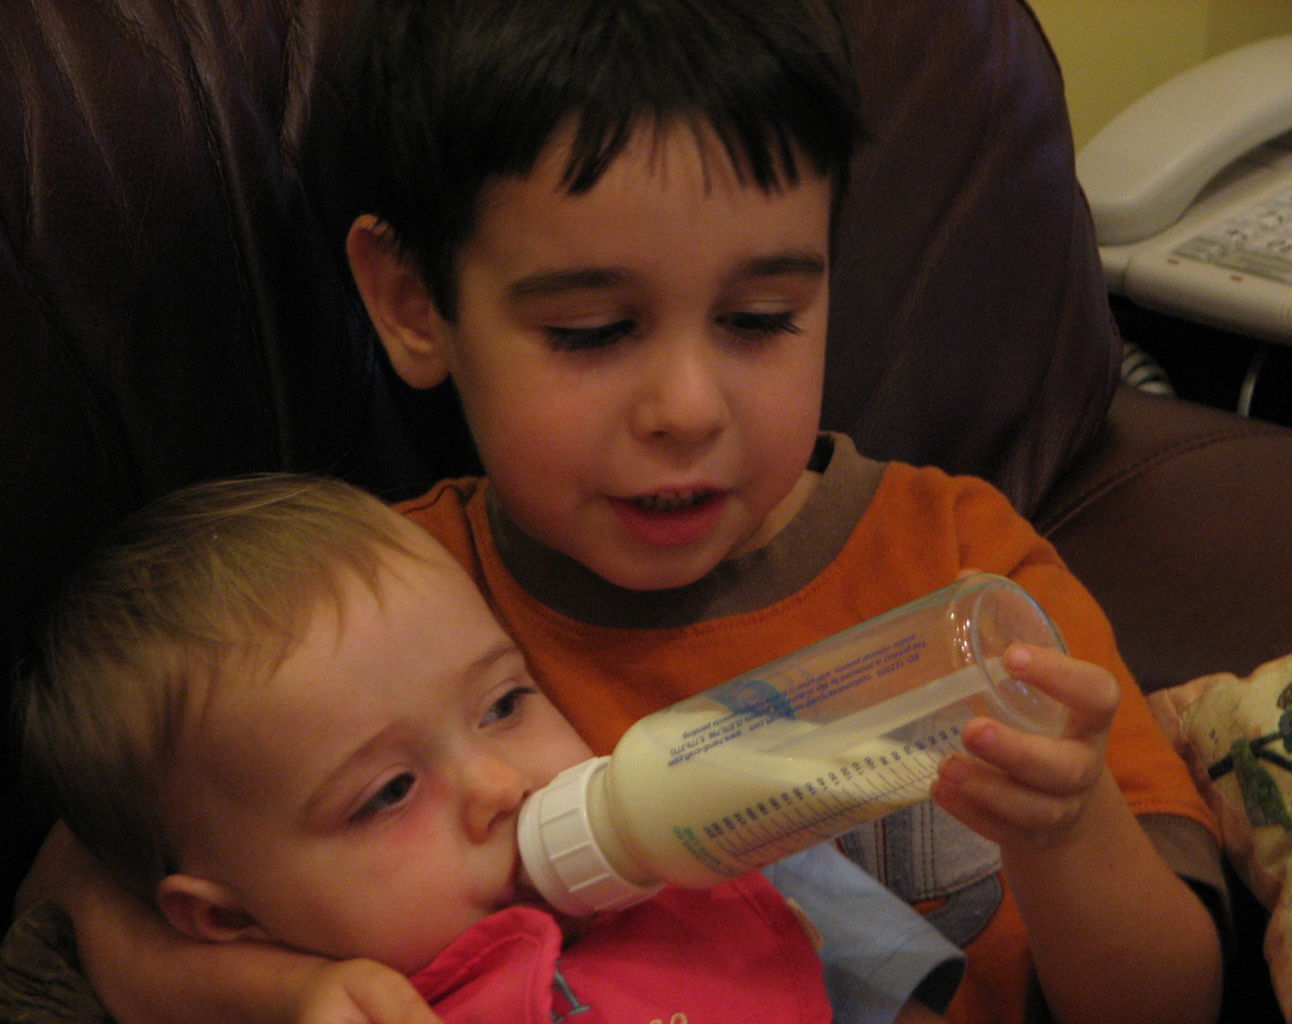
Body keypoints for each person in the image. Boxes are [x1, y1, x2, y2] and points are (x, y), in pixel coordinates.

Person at [20, 0, 1225, 1022]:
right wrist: (283, 990)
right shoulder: (366, 608)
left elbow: (1171, 997)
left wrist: (1067, 837)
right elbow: (77, 898)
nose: (689, 408)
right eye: (591, 332)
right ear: (413, 303)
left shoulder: (962, 566)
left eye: (760, 318)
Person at [14, 473, 949, 1024]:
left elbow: (908, 991)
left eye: (505, 702)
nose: (500, 787)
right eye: (387, 794)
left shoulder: (691, 837)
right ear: (228, 920)